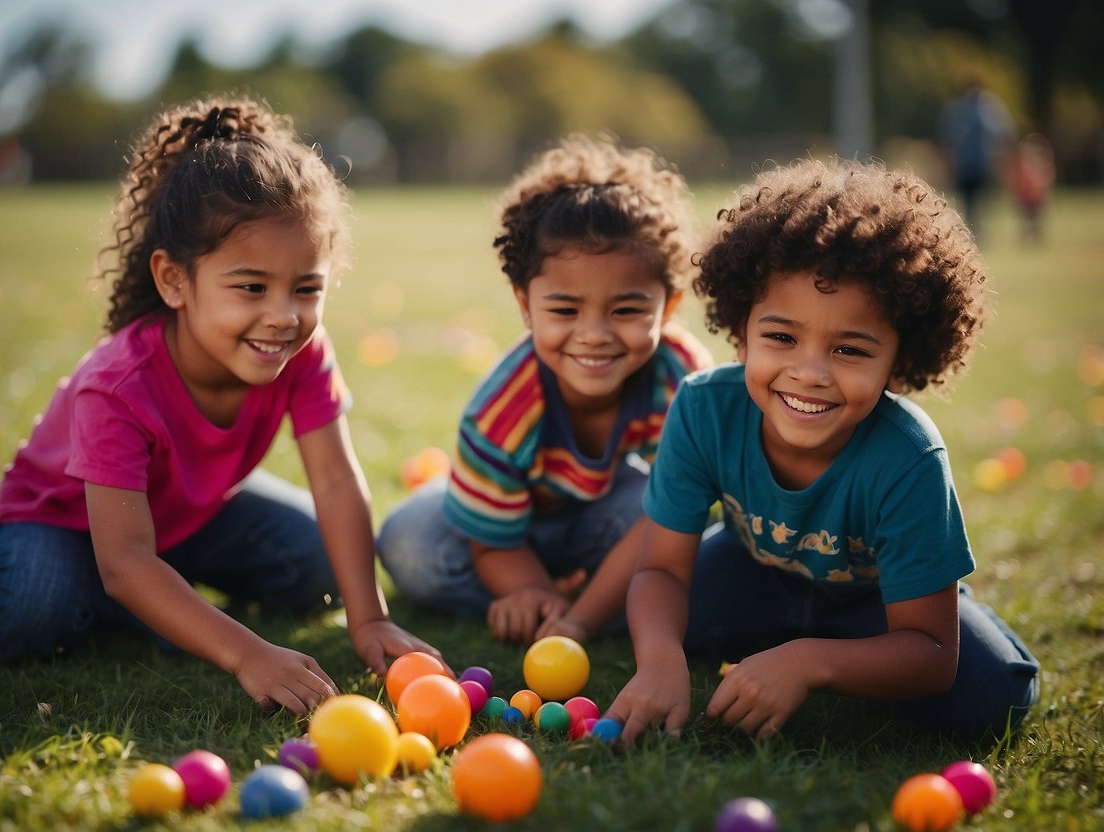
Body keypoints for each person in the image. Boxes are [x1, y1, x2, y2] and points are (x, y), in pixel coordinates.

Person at [0, 97, 440, 713]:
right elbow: (125, 556)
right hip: (70, 529)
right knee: (30, 614)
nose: (283, 316)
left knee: (322, 565)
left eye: (306, 288)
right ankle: (145, 603)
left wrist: (369, 619)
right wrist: (248, 652)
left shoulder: (301, 350)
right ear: (173, 281)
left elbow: (334, 477)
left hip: (192, 517)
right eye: (251, 287)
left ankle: (160, 600)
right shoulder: (116, 385)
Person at [607, 158, 1039, 743]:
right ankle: (761, 640)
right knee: (644, 619)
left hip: (875, 606)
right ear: (740, 332)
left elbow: (932, 654)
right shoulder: (703, 408)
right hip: (749, 573)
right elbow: (660, 568)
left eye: (851, 350)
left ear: (902, 361)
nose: (808, 373)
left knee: (992, 698)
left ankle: (797, 646)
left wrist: (809, 662)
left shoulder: (908, 457)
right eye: (781, 337)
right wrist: (660, 661)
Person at [377, 135, 713, 644]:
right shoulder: (503, 408)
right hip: (505, 531)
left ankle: (597, 598)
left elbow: (668, 514)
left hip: (606, 517)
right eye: (564, 310)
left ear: (668, 308)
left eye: (626, 310)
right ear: (524, 304)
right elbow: (489, 545)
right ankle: (579, 593)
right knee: (410, 545)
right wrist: (530, 590)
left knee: (689, 535)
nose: (595, 334)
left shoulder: (679, 375)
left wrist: (579, 621)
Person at [938, 76, 1016, 235]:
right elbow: (947, 140)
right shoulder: (959, 110)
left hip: (983, 164)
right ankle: (972, 229)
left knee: (980, 200)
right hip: (965, 165)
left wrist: (1005, 159)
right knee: (969, 201)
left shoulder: (990, 109)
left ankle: (976, 229)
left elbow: (1005, 134)